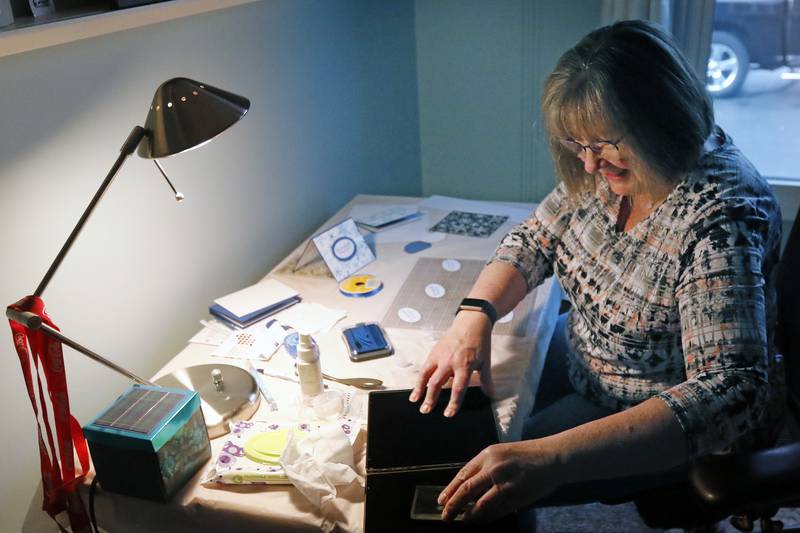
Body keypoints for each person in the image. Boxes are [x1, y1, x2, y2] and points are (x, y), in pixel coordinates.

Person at [409, 19, 785, 526]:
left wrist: (552, 458)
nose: (588, 166)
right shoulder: (614, 164)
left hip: (653, 412)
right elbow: (536, 239)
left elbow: (728, 390)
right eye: (576, 146)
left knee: (484, 483)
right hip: (591, 354)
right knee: (448, 425)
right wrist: (472, 317)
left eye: (602, 144)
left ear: (661, 119)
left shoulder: (721, 216)